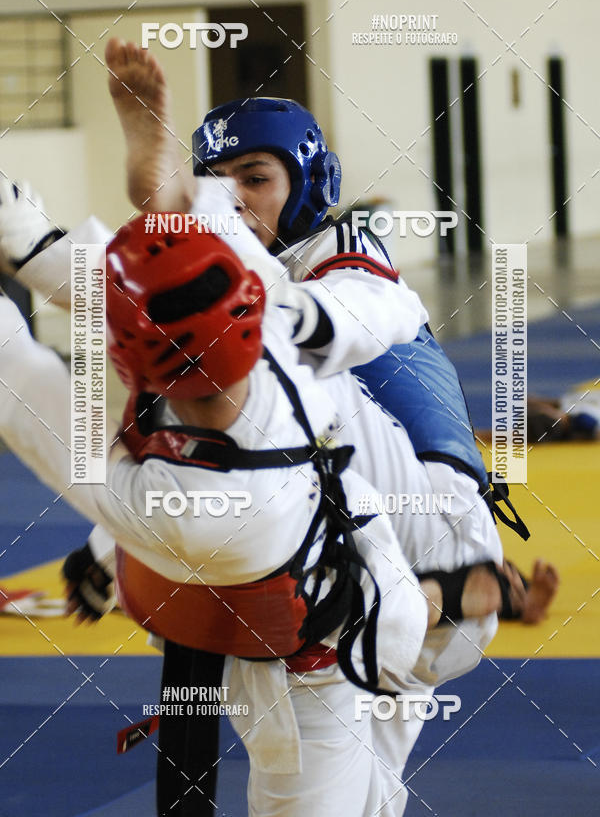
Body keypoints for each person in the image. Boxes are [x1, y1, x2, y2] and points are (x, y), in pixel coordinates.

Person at [0, 195, 433, 817]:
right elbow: (148, 280)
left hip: (312, 671)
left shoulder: (190, 510)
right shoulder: (272, 330)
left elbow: (23, 383)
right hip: (356, 597)